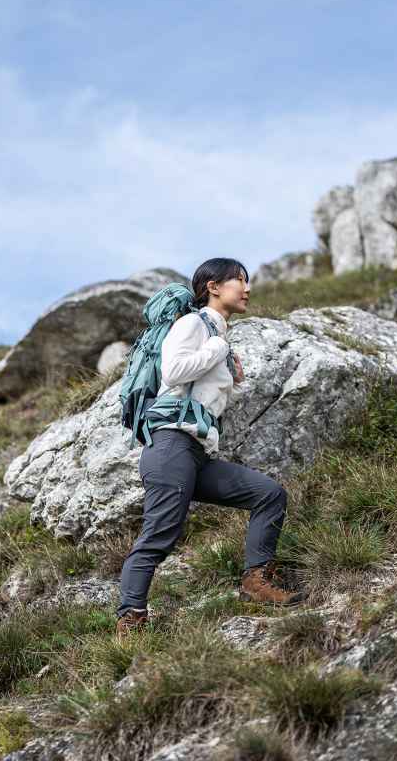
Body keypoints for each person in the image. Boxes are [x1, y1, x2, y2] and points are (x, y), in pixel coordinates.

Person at [116, 258, 303, 636]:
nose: (247, 288)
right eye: (239, 280)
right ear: (213, 287)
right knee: (160, 534)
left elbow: (204, 394)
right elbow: (174, 372)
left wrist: (233, 378)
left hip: (197, 454)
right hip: (170, 446)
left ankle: (256, 582)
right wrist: (218, 349)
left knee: (269, 494)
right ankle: (130, 619)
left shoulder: (216, 334)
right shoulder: (193, 324)